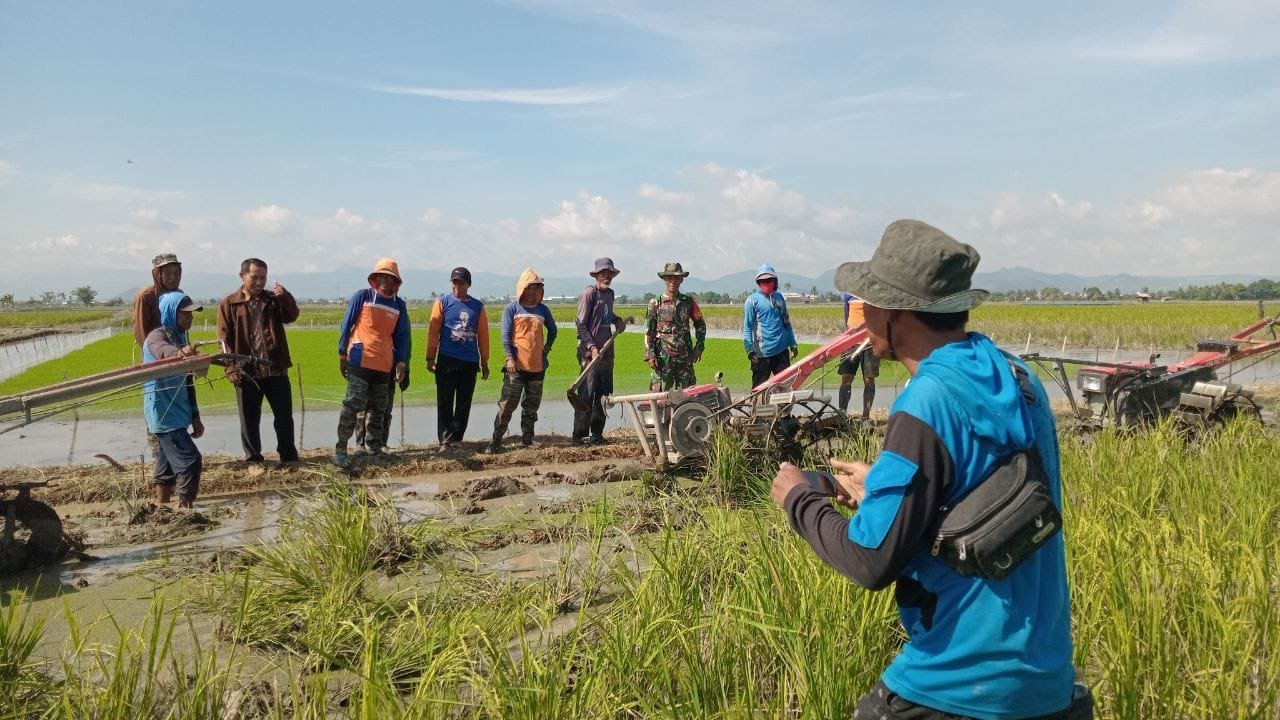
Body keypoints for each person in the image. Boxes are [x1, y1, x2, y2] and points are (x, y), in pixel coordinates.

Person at [770, 219, 1090, 720]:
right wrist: (884, 485)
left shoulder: (925, 402)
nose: (863, 315)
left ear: (896, 311)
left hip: (957, 682)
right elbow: (990, 491)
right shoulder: (1018, 378)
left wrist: (798, 499)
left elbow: (869, 561)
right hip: (1048, 682)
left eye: (870, 302)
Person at [217, 258, 300, 466]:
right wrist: (230, 367)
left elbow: (291, 316)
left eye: (263, 278)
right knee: (249, 419)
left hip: (275, 368)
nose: (259, 282)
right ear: (242, 276)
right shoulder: (230, 303)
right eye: (254, 277)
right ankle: (254, 460)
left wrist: (286, 296)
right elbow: (224, 339)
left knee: (284, 416)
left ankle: (289, 457)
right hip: (246, 371)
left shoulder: (273, 300)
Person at [333, 258, 410, 468]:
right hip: (360, 360)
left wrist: (401, 362)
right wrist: (342, 354)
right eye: (382, 277)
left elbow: (402, 336)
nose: (385, 281)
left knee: (379, 409)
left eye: (390, 278)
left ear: (396, 282)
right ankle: (341, 450)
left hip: (384, 363)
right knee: (353, 405)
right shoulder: (363, 297)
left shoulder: (399, 305)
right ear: (375, 279)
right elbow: (347, 324)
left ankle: (375, 447)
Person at [141, 292, 205, 508]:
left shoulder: (181, 338)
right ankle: (185, 511)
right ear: (170, 313)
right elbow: (163, 352)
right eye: (185, 314)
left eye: (191, 314)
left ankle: (161, 506)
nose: (190, 318)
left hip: (178, 411)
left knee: (166, 464)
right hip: (163, 412)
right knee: (190, 460)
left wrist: (195, 416)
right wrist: (180, 353)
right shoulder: (156, 337)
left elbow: (188, 382)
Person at [487, 269, 557, 453]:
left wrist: (547, 348)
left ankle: (528, 439)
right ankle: (496, 442)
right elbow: (505, 336)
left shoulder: (543, 310)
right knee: (507, 405)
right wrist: (509, 358)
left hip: (537, 366)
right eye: (530, 287)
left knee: (531, 407)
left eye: (537, 288)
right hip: (516, 367)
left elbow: (553, 330)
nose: (533, 291)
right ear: (523, 288)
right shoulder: (512, 309)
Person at [427, 267, 490, 449]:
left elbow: (483, 335)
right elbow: (433, 331)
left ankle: (456, 439)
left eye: (461, 283)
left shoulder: (478, 307)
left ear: (468, 285)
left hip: (469, 362)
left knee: (464, 402)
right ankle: (445, 440)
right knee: (445, 401)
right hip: (447, 360)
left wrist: (484, 361)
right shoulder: (443, 303)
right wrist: (430, 357)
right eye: (454, 282)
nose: (457, 286)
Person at [573, 258, 626, 445]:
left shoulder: (609, 294)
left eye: (609, 273)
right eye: (603, 273)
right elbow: (581, 324)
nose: (606, 276)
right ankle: (579, 437)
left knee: (603, 395)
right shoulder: (589, 293)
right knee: (586, 395)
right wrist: (592, 347)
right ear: (596, 275)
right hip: (590, 353)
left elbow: (606, 315)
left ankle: (597, 435)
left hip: (607, 352)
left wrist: (617, 320)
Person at [645, 262, 706, 391]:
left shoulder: (688, 302)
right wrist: (650, 355)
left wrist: (699, 346)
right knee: (661, 394)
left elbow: (700, 324)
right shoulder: (655, 303)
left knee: (687, 394)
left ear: (681, 279)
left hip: (685, 356)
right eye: (669, 278)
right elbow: (649, 332)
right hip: (663, 358)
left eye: (676, 278)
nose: (673, 281)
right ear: (664, 279)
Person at [742, 263, 798, 387]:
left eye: (769, 280)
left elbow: (786, 323)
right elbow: (748, 328)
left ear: (774, 281)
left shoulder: (779, 298)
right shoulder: (752, 300)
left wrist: (792, 344)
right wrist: (749, 349)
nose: (766, 283)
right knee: (759, 390)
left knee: (786, 387)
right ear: (758, 282)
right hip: (761, 353)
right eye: (763, 281)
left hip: (781, 351)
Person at [837, 291, 879, 420]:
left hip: (870, 342)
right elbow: (846, 317)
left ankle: (865, 417)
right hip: (851, 342)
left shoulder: (875, 294)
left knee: (869, 379)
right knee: (846, 378)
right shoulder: (849, 294)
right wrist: (847, 336)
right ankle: (842, 414)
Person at [132, 253, 183, 348]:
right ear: (157, 274)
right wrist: (150, 353)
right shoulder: (146, 296)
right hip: (156, 352)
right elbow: (140, 331)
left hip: (180, 351)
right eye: (167, 274)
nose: (172, 278)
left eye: (176, 273)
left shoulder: (179, 295)